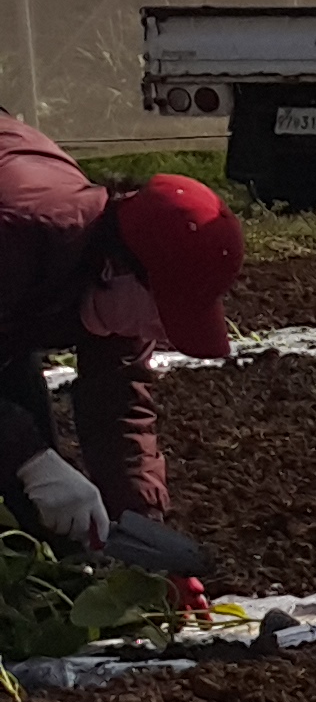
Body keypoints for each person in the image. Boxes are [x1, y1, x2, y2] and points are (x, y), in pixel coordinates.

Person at [0, 125, 242, 564]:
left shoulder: (110, 268)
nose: (163, 330)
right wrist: (30, 459)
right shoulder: (17, 237)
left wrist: (143, 535)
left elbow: (118, 402)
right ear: (115, 269)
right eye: (162, 308)